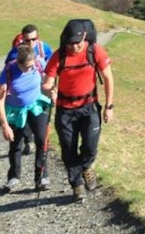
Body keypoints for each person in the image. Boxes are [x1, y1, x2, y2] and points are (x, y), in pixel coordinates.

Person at [42, 24, 115, 201]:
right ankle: (76, 184)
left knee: (90, 145)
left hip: (89, 106)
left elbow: (107, 78)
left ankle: (86, 167)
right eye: (70, 43)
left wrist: (109, 106)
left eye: (77, 43)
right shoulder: (59, 56)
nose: (74, 47)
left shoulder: (94, 51)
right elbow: (46, 83)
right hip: (65, 109)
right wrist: (49, 90)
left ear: (84, 38)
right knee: (68, 148)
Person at [0, 42, 52, 191]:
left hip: (35, 106)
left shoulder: (39, 63)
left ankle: (41, 176)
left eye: (32, 66)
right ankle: (14, 176)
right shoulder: (8, 71)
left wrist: (52, 91)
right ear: (18, 63)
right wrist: (5, 125)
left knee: (42, 140)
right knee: (16, 144)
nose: (30, 69)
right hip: (15, 111)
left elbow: (47, 80)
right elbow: (0, 100)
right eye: (27, 67)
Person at [5, 25, 52, 156]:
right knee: (24, 112)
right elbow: (8, 69)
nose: (31, 42)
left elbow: (52, 65)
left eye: (33, 39)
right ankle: (28, 140)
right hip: (21, 90)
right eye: (27, 40)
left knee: (40, 115)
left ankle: (41, 141)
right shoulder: (15, 52)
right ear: (22, 39)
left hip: (41, 87)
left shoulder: (44, 48)